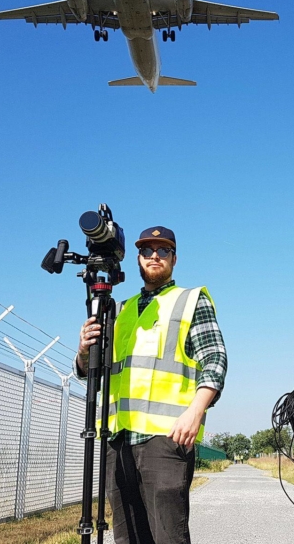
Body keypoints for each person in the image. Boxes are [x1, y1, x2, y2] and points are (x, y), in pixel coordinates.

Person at [75, 226, 227, 544]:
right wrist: (83, 352)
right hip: (117, 439)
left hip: (166, 438)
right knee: (127, 537)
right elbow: (93, 374)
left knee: (168, 536)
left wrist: (196, 411)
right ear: (138, 258)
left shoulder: (190, 301)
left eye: (163, 250)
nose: (154, 256)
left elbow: (215, 360)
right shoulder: (118, 310)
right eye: (147, 251)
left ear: (174, 258)